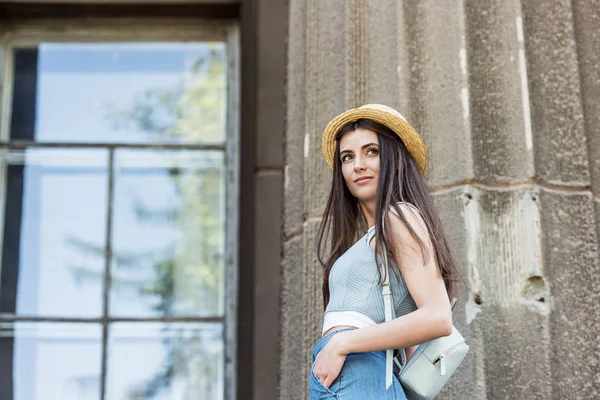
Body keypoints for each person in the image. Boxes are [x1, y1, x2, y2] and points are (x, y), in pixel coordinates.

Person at [310, 104, 461, 399]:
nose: (358, 165)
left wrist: (342, 344)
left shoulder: (398, 217)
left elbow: (438, 317)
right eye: (347, 157)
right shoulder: (371, 235)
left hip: (358, 367)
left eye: (372, 151)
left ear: (394, 158)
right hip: (349, 371)